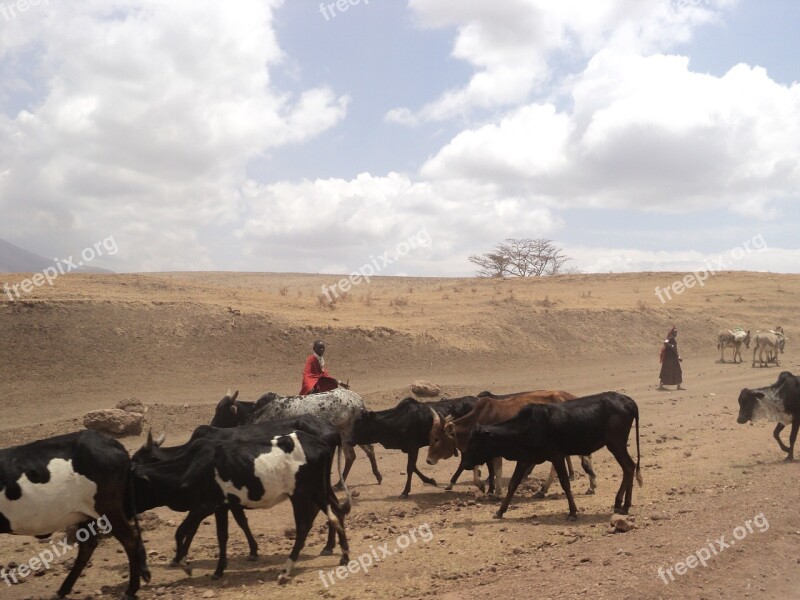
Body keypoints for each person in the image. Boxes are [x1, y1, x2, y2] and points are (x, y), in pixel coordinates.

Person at [659, 326, 684, 390]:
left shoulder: (673, 339)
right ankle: (661, 386)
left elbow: (675, 350)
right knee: (666, 371)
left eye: (676, 332)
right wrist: (671, 345)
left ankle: (678, 385)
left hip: (674, 358)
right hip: (668, 358)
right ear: (672, 332)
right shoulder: (670, 338)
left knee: (677, 371)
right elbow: (665, 342)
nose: (676, 333)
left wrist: (678, 357)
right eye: (675, 332)